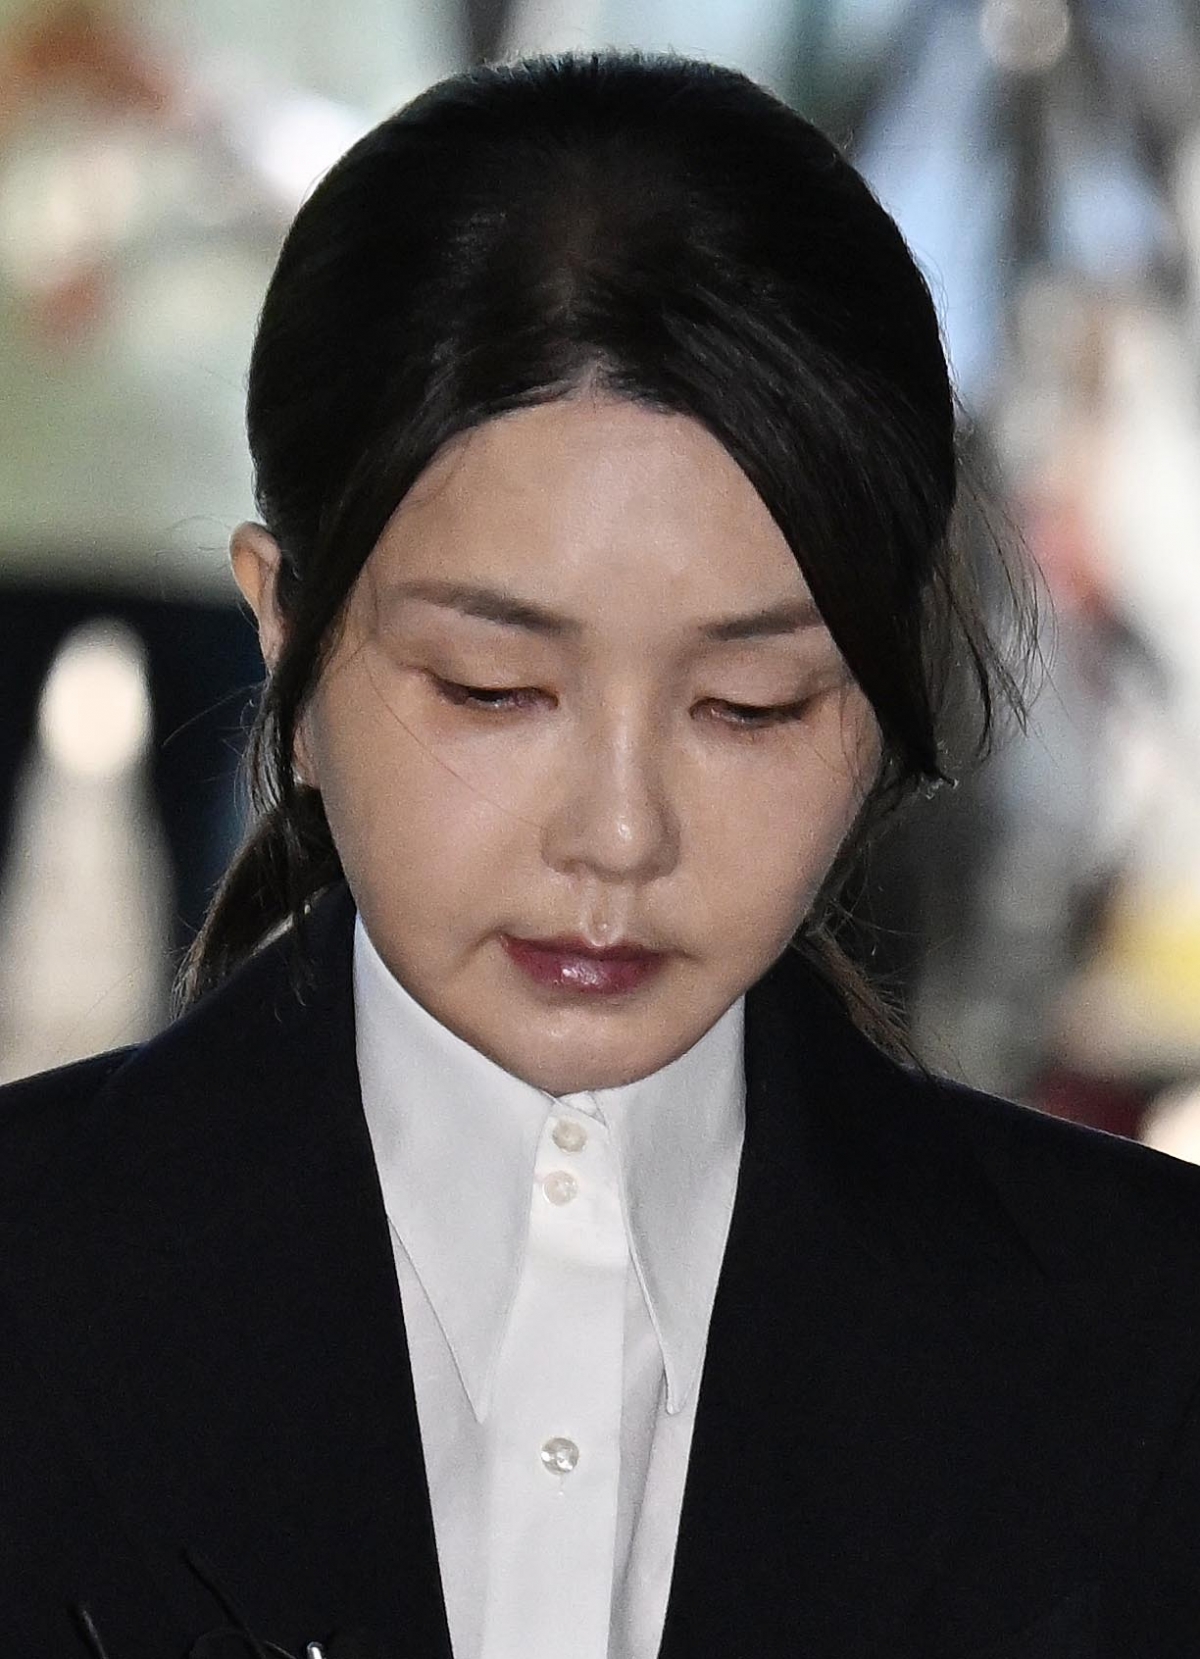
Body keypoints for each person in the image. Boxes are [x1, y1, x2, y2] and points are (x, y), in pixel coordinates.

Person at [1, 48, 1198, 1659]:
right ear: (285, 635)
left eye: (751, 706)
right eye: (493, 688)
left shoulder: (1147, 1342)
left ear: (886, 688)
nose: (620, 833)